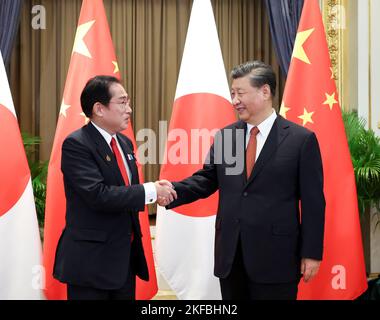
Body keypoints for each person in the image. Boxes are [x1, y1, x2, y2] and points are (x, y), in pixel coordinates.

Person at [161, 61, 325, 300]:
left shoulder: (301, 140)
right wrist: (171, 191)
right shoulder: (227, 136)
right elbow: (207, 180)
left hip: (276, 259)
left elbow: (313, 203)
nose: (234, 100)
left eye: (240, 93)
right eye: (232, 93)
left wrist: (311, 253)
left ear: (265, 91)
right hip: (232, 257)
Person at [53, 75, 176, 300]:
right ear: (99, 109)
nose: (129, 109)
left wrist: (154, 191)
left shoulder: (125, 143)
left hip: (123, 260)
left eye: (128, 102)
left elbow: (126, 190)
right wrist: (150, 191)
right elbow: (98, 195)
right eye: (122, 102)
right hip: (91, 264)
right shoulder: (77, 144)